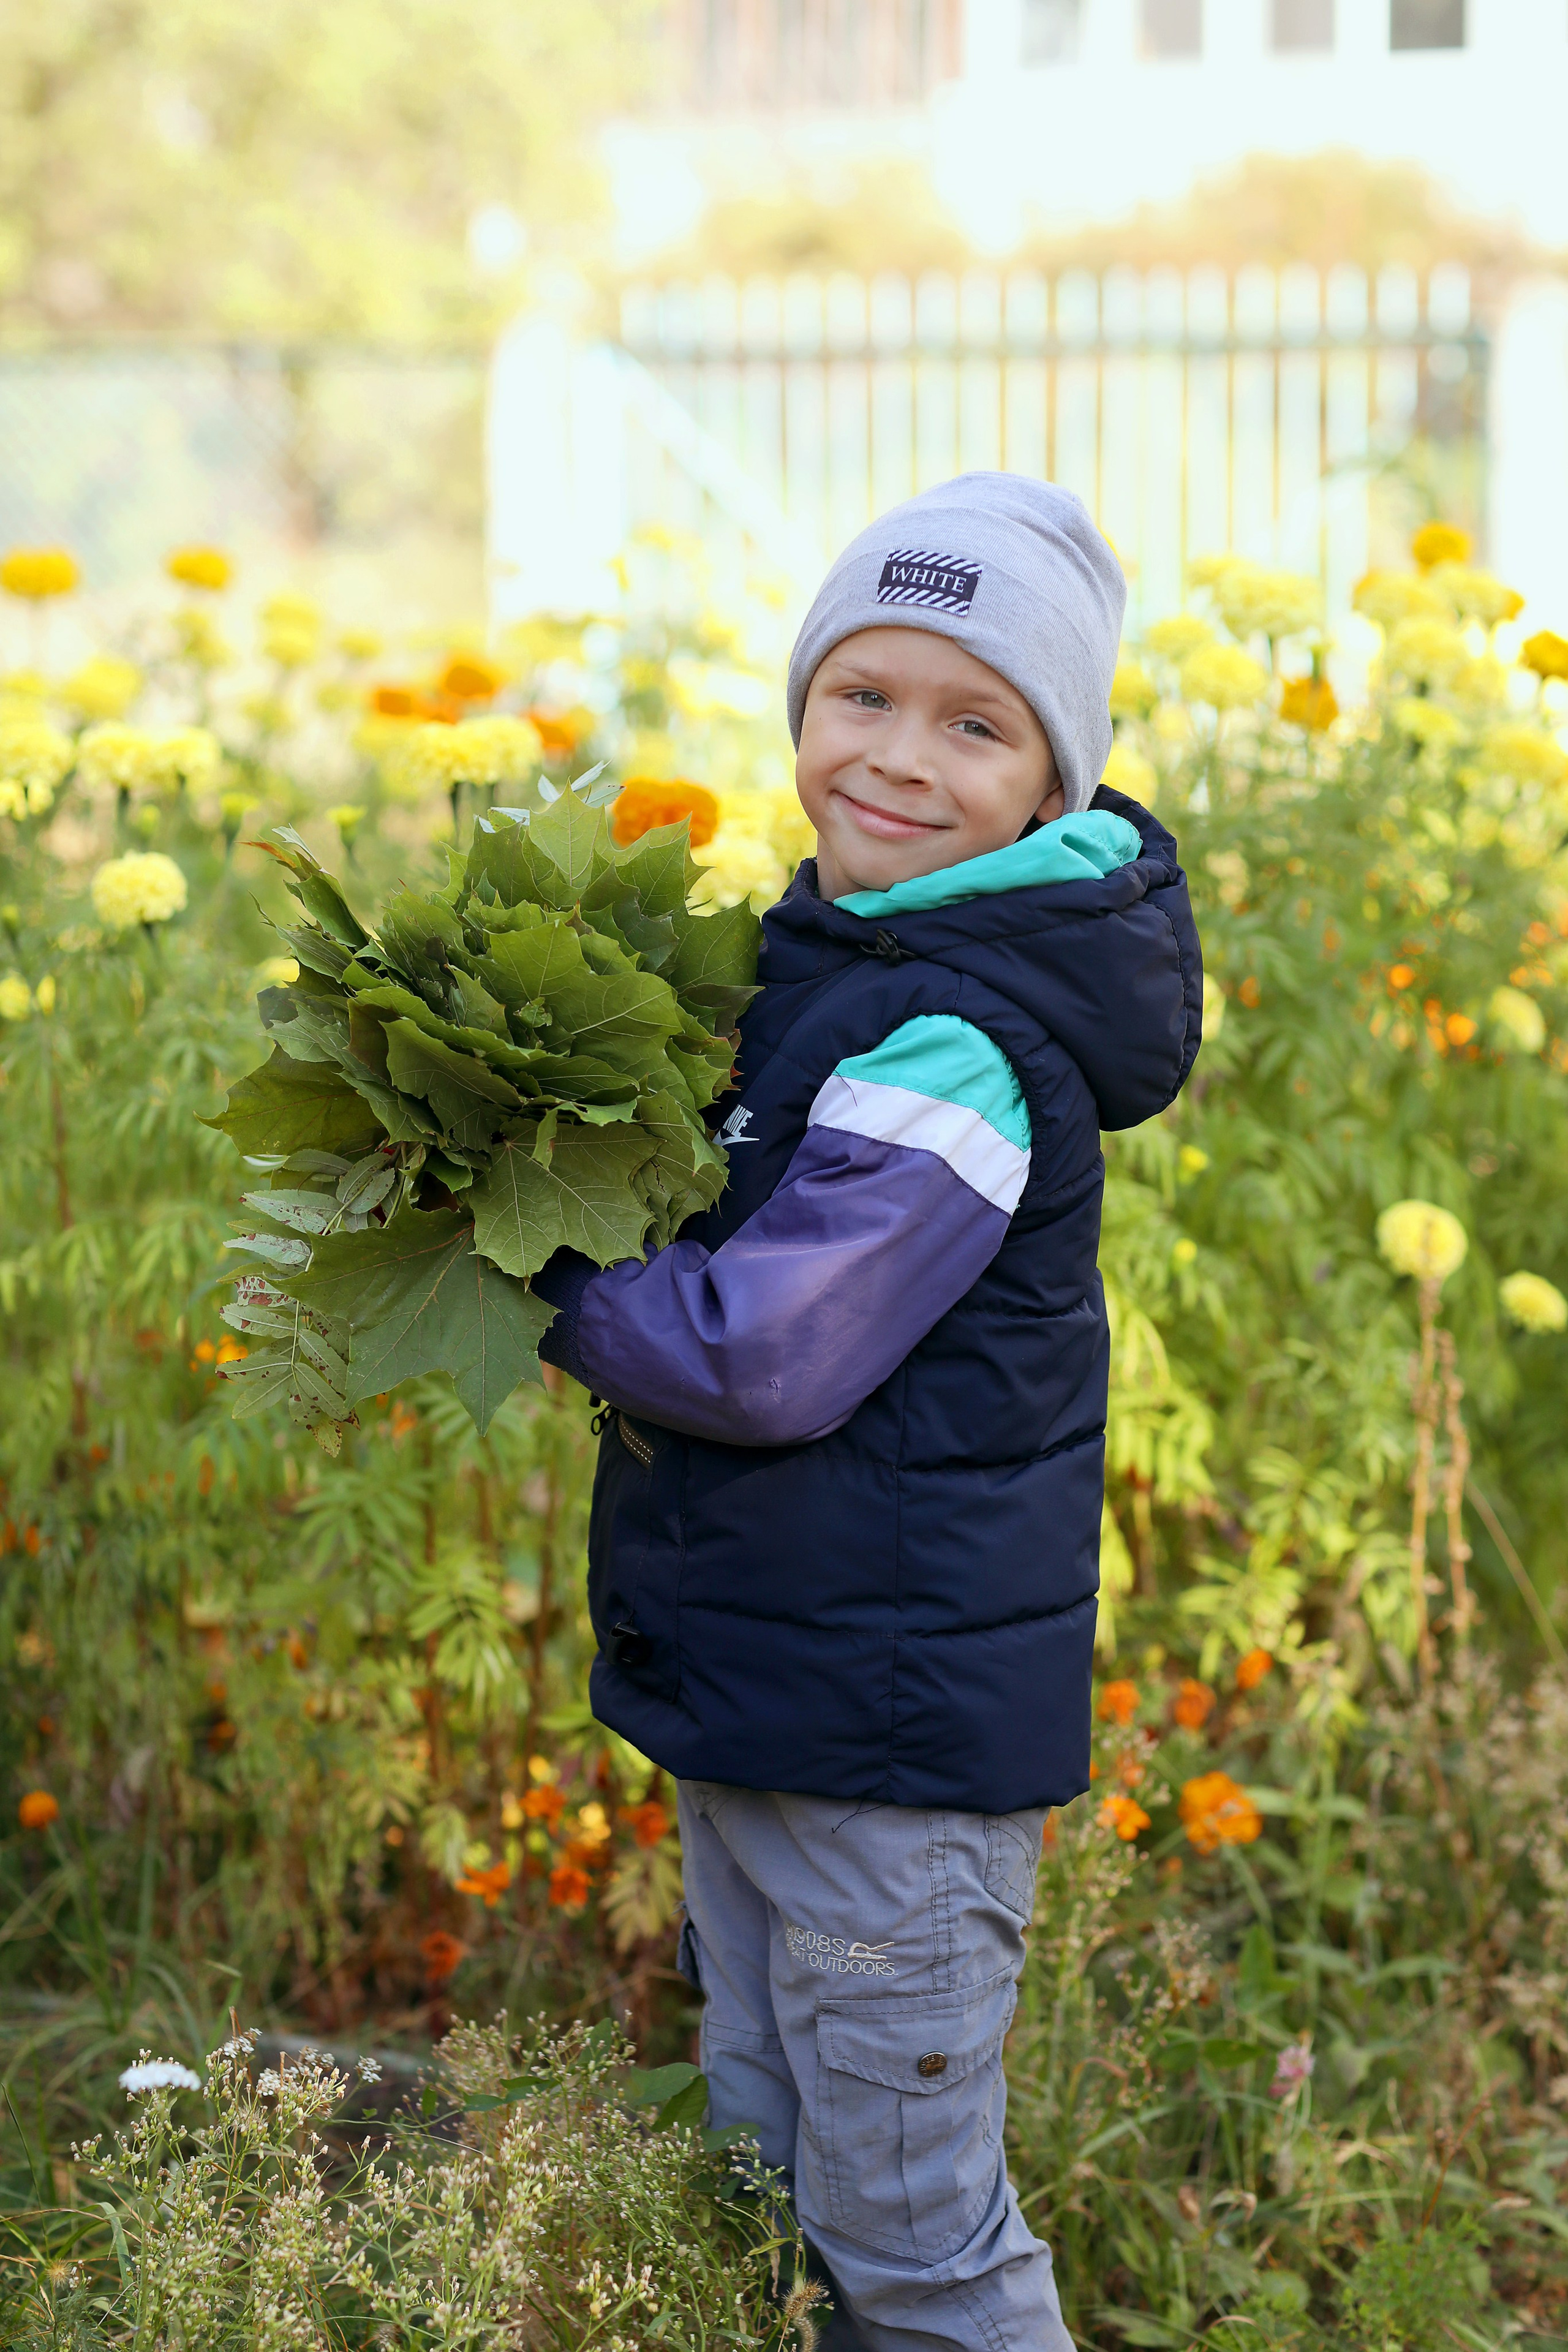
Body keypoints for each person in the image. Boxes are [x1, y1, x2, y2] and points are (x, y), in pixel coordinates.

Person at [534, 472, 1203, 2351]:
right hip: (778, 1703)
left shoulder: (957, 1041)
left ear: (1054, 782)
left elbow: (768, 1358)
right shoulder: (832, 963)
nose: (901, 757)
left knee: (913, 2243)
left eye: (977, 724)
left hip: (884, 1763)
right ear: (805, 706)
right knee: (775, 2186)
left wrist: (531, 1269)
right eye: (865, 695)